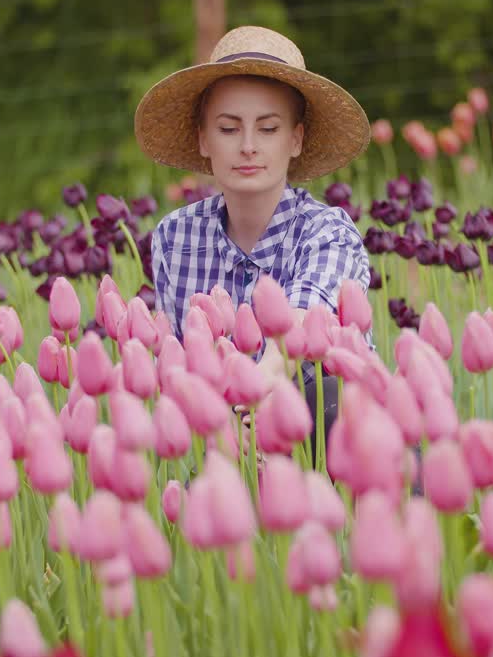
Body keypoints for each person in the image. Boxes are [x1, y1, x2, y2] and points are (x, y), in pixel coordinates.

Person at [134, 25, 372, 444]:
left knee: (328, 391)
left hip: (334, 452)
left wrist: (257, 393)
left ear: (295, 140)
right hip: (225, 450)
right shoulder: (176, 237)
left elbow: (301, 320)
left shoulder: (327, 232)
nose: (247, 146)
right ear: (203, 140)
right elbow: (182, 368)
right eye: (228, 129)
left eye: (268, 129)